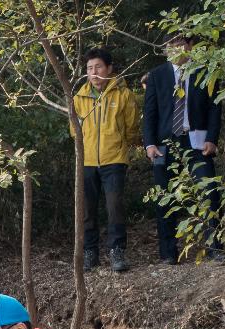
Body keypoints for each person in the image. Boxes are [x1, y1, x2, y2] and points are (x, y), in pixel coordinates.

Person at [143, 33, 223, 264]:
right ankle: (168, 253)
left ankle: (214, 247)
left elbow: (214, 109)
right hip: (163, 145)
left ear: (189, 47)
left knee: (210, 192)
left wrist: (212, 138)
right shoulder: (157, 75)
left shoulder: (204, 72)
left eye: (180, 45)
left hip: (197, 141)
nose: (176, 50)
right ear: (165, 49)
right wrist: (149, 143)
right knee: (164, 196)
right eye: (170, 46)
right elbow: (150, 113)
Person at [72, 47, 141, 272]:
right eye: (90, 68)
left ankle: (117, 252)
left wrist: (120, 144)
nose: (94, 72)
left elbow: (132, 128)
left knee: (114, 207)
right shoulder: (79, 98)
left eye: (98, 67)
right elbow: (74, 131)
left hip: (114, 159)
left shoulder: (123, 94)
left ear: (109, 69)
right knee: (87, 210)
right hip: (87, 161)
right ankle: (90, 253)